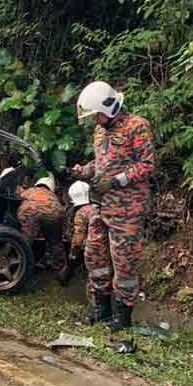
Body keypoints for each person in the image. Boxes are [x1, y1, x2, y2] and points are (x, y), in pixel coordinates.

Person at [71, 81, 155, 331]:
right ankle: (102, 308)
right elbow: (101, 164)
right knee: (94, 254)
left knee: (124, 262)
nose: (94, 120)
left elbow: (147, 165)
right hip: (101, 205)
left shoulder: (137, 127)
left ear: (109, 109)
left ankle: (123, 316)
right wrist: (83, 171)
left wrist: (117, 181)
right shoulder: (100, 131)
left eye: (96, 114)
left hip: (128, 209)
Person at [68, 181, 112, 323]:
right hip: (112, 248)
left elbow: (78, 238)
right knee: (107, 278)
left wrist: (73, 254)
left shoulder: (81, 212)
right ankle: (108, 310)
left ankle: (99, 312)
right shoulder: (101, 207)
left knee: (96, 280)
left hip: (95, 251)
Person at [16, 175, 67, 279]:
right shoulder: (53, 196)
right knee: (56, 243)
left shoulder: (31, 190)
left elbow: (18, 194)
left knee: (25, 241)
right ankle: (61, 272)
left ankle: (17, 268)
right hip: (53, 212)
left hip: (31, 211)